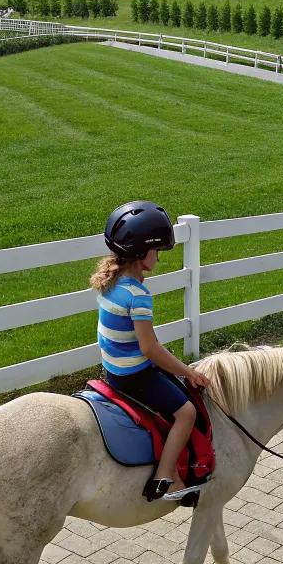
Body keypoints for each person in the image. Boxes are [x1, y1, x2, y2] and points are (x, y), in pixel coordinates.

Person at [91, 201, 211, 501]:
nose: (158, 258)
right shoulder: (138, 294)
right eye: (157, 251)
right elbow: (149, 348)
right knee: (186, 412)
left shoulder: (111, 282)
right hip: (135, 375)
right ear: (141, 252)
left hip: (113, 371)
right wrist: (187, 371)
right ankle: (165, 479)